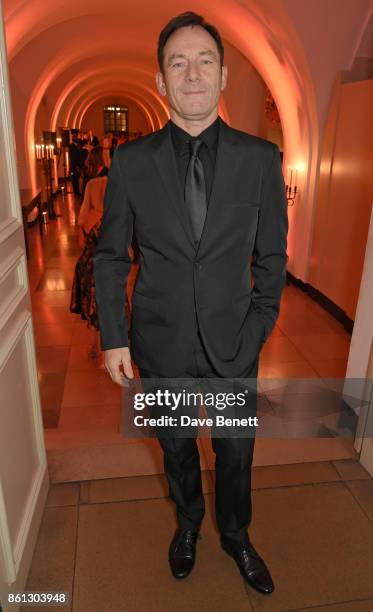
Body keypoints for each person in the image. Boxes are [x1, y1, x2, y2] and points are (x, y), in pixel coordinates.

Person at [93, 11, 288, 595]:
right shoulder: (130, 162)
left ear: (224, 75)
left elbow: (272, 260)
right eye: (178, 62)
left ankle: (237, 535)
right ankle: (188, 527)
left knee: (234, 453)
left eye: (205, 60)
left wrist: (257, 329)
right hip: (160, 340)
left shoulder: (260, 160)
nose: (193, 73)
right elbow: (110, 256)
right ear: (161, 81)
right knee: (176, 450)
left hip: (235, 343)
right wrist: (114, 336)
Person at [70, 147, 108, 357]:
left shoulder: (86, 220)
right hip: (106, 269)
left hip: (87, 267)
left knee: (92, 304)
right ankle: (107, 341)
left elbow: (83, 246)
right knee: (106, 304)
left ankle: (94, 342)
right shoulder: (109, 221)